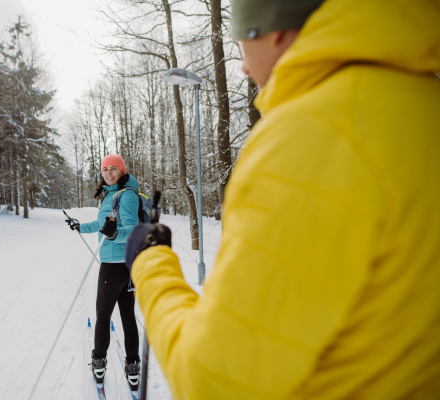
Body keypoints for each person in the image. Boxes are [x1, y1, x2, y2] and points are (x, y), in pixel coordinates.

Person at [125, 0, 440, 399]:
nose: (241, 65)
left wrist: (151, 262)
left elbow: (215, 381)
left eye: (241, 42)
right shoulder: (422, 102)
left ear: (272, 31)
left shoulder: (313, 134)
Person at [65, 154, 141, 390]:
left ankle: (99, 363)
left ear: (122, 171)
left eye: (113, 169)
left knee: (104, 317)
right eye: (105, 169)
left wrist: (114, 235)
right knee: (127, 317)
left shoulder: (126, 195)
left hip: (114, 266)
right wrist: (80, 227)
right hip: (126, 265)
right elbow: (103, 225)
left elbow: (132, 229)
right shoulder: (111, 194)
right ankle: (133, 367)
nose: (108, 173)